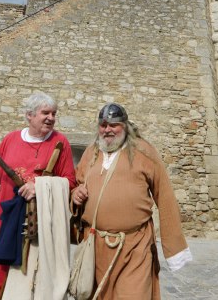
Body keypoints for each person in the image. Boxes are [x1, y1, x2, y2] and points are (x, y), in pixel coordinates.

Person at [0, 92, 76, 300]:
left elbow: (70, 182)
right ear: (29, 115)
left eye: (54, 114)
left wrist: (39, 185)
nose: (51, 118)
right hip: (5, 225)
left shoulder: (60, 142)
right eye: (45, 113)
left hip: (38, 230)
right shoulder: (10, 140)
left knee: (34, 286)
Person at [71, 103, 192, 299]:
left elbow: (165, 196)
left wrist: (174, 247)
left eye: (113, 124)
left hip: (135, 247)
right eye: (103, 125)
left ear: (125, 126)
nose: (107, 130)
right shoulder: (91, 152)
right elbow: (77, 185)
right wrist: (76, 195)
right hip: (96, 247)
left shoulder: (143, 151)